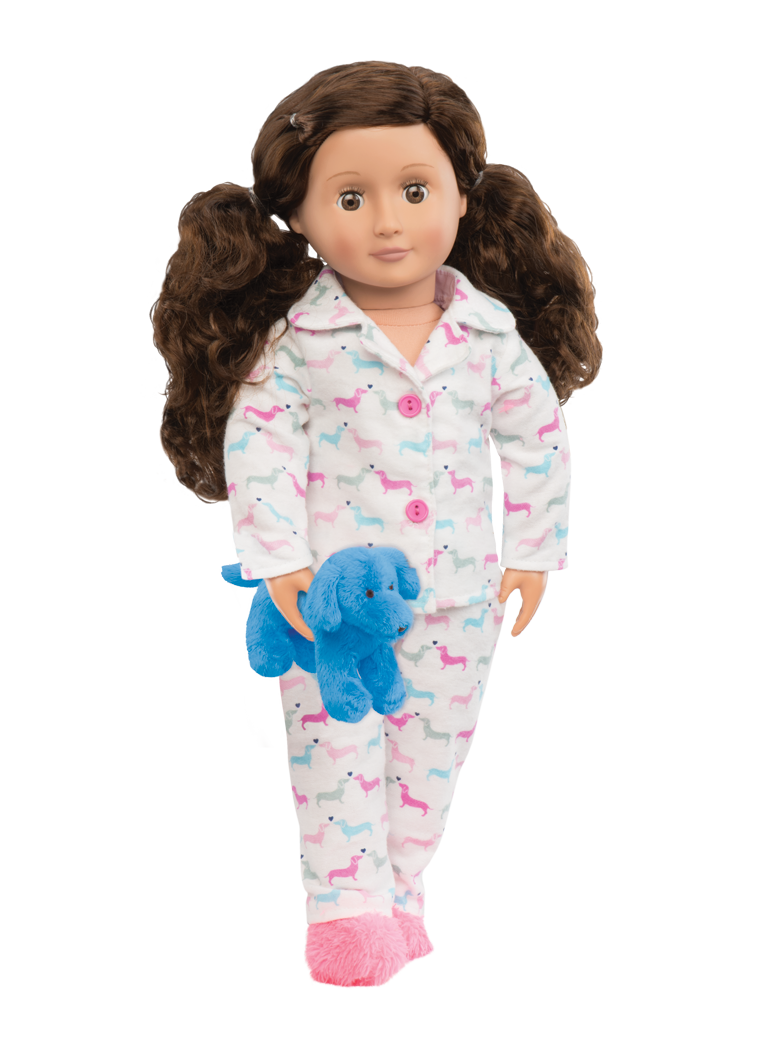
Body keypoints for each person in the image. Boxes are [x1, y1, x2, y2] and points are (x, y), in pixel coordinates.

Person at [151, 59, 601, 990]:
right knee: (335, 748)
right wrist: (278, 559)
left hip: (458, 596)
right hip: (329, 598)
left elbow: (536, 438)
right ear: (301, 218)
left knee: (430, 757)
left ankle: (398, 898)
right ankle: (342, 912)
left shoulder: (489, 336)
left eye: (415, 191)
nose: (389, 221)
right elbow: (261, 447)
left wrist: (530, 550)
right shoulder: (299, 344)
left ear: (462, 199)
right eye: (351, 197)